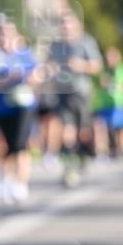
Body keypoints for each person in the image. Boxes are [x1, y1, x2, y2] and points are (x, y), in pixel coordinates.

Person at [0, 14, 38, 204]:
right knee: (5, 147)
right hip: (1, 107)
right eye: (0, 33)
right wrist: (6, 78)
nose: (4, 36)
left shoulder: (24, 53)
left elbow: (35, 77)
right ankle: (3, 176)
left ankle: (20, 182)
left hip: (22, 106)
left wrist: (24, 77)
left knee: (20, 145)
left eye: (7, 32)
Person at [43, 10, 102, 186]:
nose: (65, 27)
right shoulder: (55, 45)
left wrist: (81, 65)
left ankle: (82, 156)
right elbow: (47, 64)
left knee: (83, 132)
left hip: (81, 92)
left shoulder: (85, 41)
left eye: (68, 23)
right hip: (62, 93)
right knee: (66, 129)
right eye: (63, 24)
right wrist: (49, 70)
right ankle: (70, 167)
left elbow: (97, 66)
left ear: (76, 25)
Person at [92, 46, 123, 157]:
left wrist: (112, 83)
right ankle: (101, 151)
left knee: (121, 127)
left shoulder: (122, 68)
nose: (110, 59)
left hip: (118, 103)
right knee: (100, 126)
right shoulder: (102, 69)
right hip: (103, 103)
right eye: (108, 57)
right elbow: (97, 83)